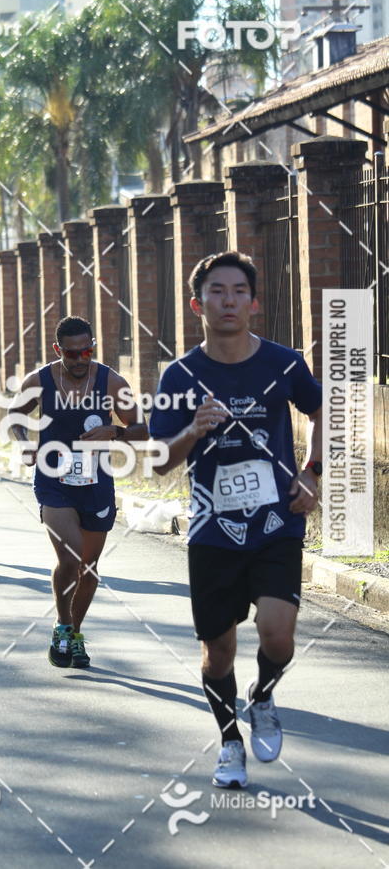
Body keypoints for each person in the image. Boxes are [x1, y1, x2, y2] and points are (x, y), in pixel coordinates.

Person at [149, 251, 322, 789]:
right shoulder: (181, 374)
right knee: (217, 649)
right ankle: (229, 741)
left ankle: (263, 695)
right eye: (217, 292)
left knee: (279, 637)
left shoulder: (284, 363)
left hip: (277, 521)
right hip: (212, 530)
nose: (228, 300)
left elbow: (322, 413)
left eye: (238, 291)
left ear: (252, 301)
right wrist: (193, 431)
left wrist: (313, 473)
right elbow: (158, 461)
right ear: (198, 304)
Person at [8, 315, 147, 669]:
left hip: (96, 482)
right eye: (72, 354)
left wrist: (113, 432)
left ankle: (75, 632)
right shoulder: (39, 381)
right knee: (69, 558)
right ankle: (63, 626)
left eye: (87, 350)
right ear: (59, 350)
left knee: (90, 567)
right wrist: (24, 443)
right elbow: (15, 415)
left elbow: (143, 428)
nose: (81, 359)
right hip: (54, 480)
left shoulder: (110, 381)